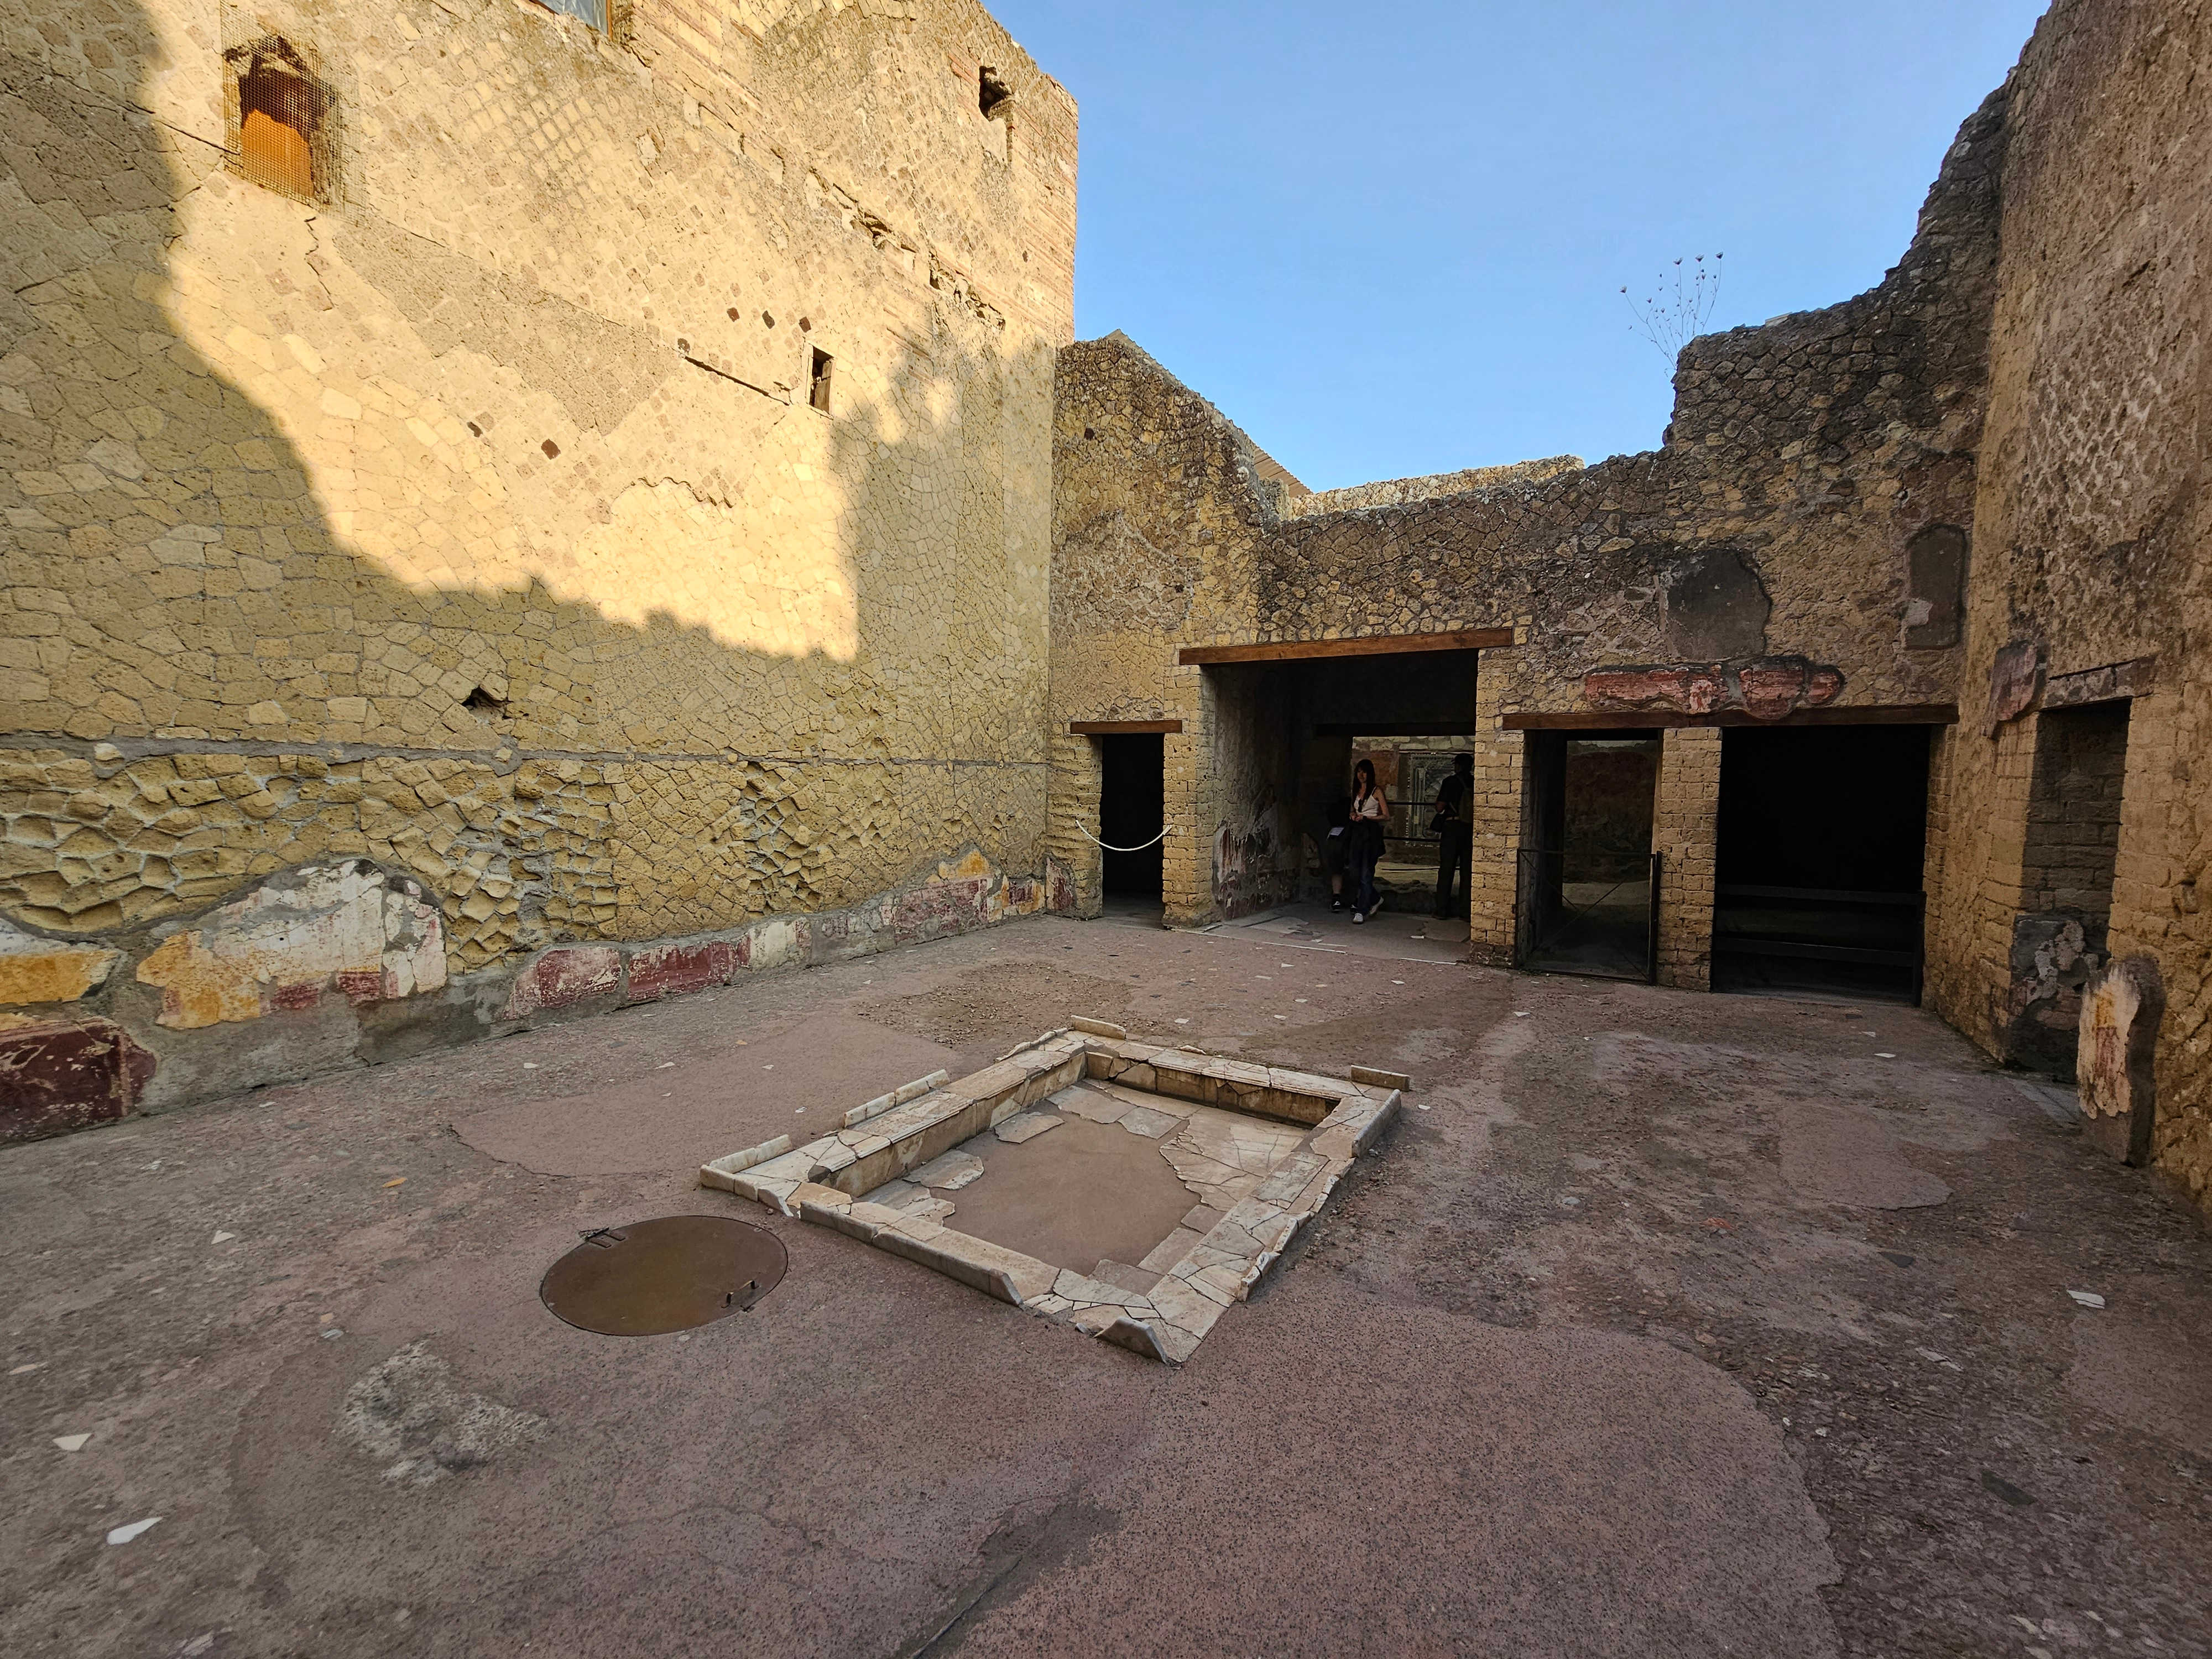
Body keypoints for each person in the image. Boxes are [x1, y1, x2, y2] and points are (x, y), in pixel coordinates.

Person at [1432, 752, 1475, 919]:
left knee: (1447, 869)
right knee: (1467, 871)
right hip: (1470, 828)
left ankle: (1442, 910)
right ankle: (1466, 912)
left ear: (1457, 766)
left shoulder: (1449, 782)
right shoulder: (1475, 782)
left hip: (1452, 827)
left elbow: (1440, 808)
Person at [1348, 757, 1388, 924]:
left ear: (1369, 773)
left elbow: (1386, 815)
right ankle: (1376, 898)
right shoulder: (1356, 791)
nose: (1361, 775)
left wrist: (1368, 818)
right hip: (1358, 833)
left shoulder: (1376, 791)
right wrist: (1353, 815)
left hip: (1371, 833)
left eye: (1364, 772)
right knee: (1354, 872)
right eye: (1359, 771)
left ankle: (1361, 910)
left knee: (1366, 873)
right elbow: (1353, 808)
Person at [1323, 784, 1352, 911]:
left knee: (1337, 871)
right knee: (1353, 869)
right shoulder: (1349, 807)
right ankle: (1354, 901)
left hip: (1335, 838)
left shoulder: (1334, 812)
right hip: (1347, 838)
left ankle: (1336, 899)